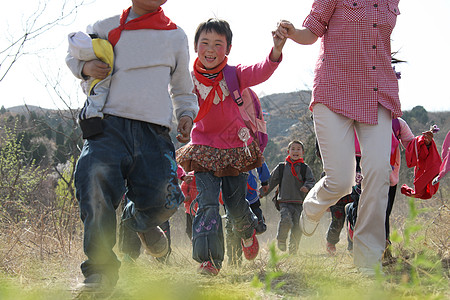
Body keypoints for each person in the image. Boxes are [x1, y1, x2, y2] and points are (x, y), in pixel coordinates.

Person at [65, 0, 198, 291]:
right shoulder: (105, 26)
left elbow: (182, 87)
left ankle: (138, 219)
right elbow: (74, 56)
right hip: (108, 126)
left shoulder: (175, 35)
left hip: (155, 132)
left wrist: (186, 114)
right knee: (94, 181)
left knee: (166, 200)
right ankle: (99, 273)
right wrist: (85, 66)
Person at [275, 1, 403, 274]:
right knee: (342, 181)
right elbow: (312, 32)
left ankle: (368, 259)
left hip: (377, 91)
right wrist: (292, 32)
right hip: (334, 88)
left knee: (379, 170)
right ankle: (312, 207)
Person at [176, 18, 285, 275]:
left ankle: (247, 232)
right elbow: (178, 100)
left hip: (235, 150)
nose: (210, 49)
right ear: (195, 47)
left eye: (218, 43)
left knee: (236, 207)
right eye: (205, 43)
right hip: (203, 149)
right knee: (208, 204)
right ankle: (210, 260)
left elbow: (261, 70)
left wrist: (276, 50)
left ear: (228, 48)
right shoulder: (189, 81)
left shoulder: (234, 75)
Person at [260, 140, 315, 254]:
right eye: (293, 149)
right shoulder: (281, 167)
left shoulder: (305, 168)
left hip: (300, 202)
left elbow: (311, 181)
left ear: (303, 152)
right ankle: (281, 239)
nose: (295, 151)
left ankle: (293, 250)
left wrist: (307, 187)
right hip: (284, 201)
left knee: (297, 228)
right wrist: (260, 194)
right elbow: (270, 182)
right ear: (288, 151)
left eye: (298, 149)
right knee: (286, 220)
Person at [226, 162, 270, 265]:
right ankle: (234, 261)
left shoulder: (249, 146)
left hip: (251, 196)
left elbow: (259, 160)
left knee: (260, 227)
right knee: (233, 230)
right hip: (232, 197)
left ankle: (250, 233)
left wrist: (264, 181)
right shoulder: (225, 148)